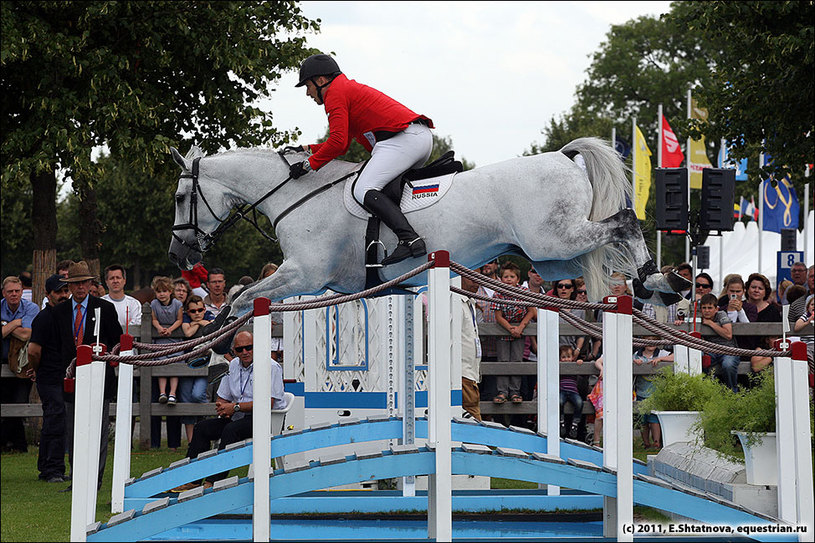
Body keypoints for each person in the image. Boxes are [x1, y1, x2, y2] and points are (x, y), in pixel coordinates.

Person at [288, 53, 434, 266]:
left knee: (362, 188)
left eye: (307, 86)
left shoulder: (335, 93)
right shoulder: (344, 89)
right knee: (380, 188)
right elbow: (343, 143)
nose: (308, 93)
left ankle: (410, 239)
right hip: (415, 139)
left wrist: (307, 165)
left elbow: (337, 143)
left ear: (321, 81)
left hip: (403, 140)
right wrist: (307, 149)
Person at [170, 331, 287, 492]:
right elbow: (223, 396)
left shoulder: (271, 366)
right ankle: (192, 479)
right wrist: (222, 407)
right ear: (233, 351)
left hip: (265, 418)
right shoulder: (233, 365)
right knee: (202, 427)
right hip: (239, 415)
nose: (245, 352)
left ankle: (214, 480)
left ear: (257, 346)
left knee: (230, 430)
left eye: (249, 347)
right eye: (240, 349)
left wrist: (235, 407)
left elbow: (268, 403)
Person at [52, 261, 123, 491]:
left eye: (84, 283)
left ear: (90, 284)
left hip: (99, 378)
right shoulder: (60, 312)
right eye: (76, 284)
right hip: (71, 379)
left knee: (99, 430)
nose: (80, 287)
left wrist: (105, 353)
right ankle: (77, 478)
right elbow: (56, 347)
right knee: (74, 430)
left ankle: (96, 479)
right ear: (69, 286)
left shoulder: (105, 308)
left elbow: (117, 342)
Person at [27, 274, 71, 481]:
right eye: (59, 292)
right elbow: (34, 351)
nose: (64, 295)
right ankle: (52, 469)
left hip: (64, 376)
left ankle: (49, 466)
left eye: (66, 291)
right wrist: (37, 370)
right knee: (56, 418)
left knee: (56, 419)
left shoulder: (68, 316)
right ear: (48, 294)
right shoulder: (43, 318)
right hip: (49, 376)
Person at [1, 276, 40, 452]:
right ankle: (17, 445)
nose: (14, 294)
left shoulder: (31, 308)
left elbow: (27, 335)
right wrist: (18, 323)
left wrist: (7, 326)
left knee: (19, 403)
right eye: (10, 291)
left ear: (22, 291)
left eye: (17, 291)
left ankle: (12, 444)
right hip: (2, 363)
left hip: (23, 363)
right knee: (5, 404)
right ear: (4, 293)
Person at [490, 262, 535, 405]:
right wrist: (510, 329)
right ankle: (502, 391)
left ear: (518, 278)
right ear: (501, 279)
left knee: (517, 361)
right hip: (504, 330)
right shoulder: (498, 294)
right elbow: (498, 316)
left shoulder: (524, 292)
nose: (508, 279)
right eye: (505, 277)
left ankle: (515, 391)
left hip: (519, 331)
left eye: (512, 276)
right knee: (503, 361)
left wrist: (521, 327)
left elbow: (531, 312)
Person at [179, 295, 214, 444]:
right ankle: (191, 442)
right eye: (193, 311)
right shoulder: (185, 318)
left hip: (204, 364)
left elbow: (213, 326)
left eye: (200, 309)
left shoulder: (209, 315)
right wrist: (199, 324)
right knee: (186, 400)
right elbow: (187, 333)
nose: (197, 313)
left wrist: (198, 322)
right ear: (188, 312)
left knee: (198, 394)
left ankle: (208, 427)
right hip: (187, 364)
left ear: (204, 308)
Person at [633, 341, 673, 450]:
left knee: (654, 419)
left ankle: (656, 443)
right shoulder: (637, 354)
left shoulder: (661, 353)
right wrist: (634, 361)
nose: (651, 342)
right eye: (647, 339)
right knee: (642, 420)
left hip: (656, 393)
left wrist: (661, 359)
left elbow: (675, 356)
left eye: (653, 339)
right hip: (641, 392)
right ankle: (646, 443)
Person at [150, 276, 184, 405]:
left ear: (170, 291)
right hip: (160, 341)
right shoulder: (154, 304)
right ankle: (162, 392)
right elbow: (154, 319)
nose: (162, 294)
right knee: (161, 364)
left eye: (164, 291)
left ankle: (172, 393)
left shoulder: (177, 304)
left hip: (174, 340)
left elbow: (179, 319)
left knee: (174, 365)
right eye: (159, 292)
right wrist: (159, 328)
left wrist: (170, 329)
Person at [698, 293, 740, 392]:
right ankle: (704, 390)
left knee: (728, 365)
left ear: (716, 309)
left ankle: (732, 394)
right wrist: (680, 322)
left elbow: (728, 335)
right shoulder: (698, 317)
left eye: (710, 308)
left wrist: (710, 323)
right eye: (704, 308)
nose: (707, 311)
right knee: (698, 360)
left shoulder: (721, 314)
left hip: (728, 350)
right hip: (710, 351)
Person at [459, 275, 482, 421]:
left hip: (472, 371)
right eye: (471, 278)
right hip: (462, 372)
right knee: (473, 415)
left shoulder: (470, 303)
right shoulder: (455, 303)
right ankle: (482, 443)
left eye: (478, 278)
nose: (476, 282)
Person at [102, 264, 143, 332]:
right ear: (106, 282)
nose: (115, 281)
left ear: (124, 280)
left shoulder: (134, 304)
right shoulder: (100, 302)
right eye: (112, 278)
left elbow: (136, 325)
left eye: (118, 277)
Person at [558, 345, 584, 438]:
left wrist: (579, 362)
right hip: (562, 391)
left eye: (568, 357)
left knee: (579, 403)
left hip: (573, 391)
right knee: (559, 402)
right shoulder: (559, 366)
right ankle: (561, 421)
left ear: (572, 357)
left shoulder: (574, 365)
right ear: (560, 358)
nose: (566, 359)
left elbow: (580, 366)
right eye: (563, 357)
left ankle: (575, 424)